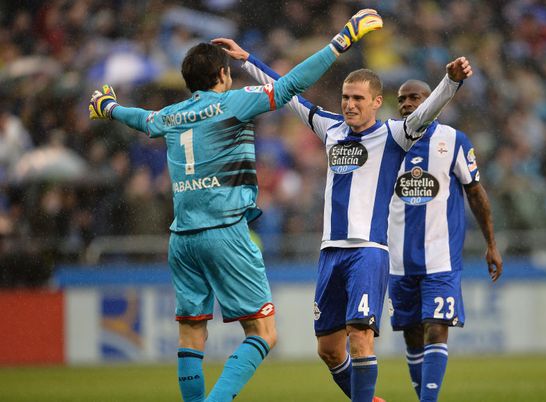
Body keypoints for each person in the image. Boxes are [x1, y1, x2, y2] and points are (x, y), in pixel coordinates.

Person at [88, 9, 383, 402]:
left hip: (182, 238)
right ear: (223, 77)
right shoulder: (235, 103)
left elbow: (139, 118)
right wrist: (340, 40)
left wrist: (108, 107)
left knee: (192, 332)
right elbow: (292, 84)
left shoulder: (171, 115)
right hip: (224, 231)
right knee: (263, 333)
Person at [214, 38, 472, 402]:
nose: (350, 104)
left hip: (367, 252)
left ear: (377, 103)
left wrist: (451, 82)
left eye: (358, 99)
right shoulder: (330, 128)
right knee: (329, 349)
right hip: (330, 252)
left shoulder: (395, 134)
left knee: (360, 335)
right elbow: (288, 93)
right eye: (346, 97)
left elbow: (425, 113)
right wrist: (248, 60)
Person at [386, 79, 503, 401]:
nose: (407, 104)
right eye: (402, 99)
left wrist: (491, 244)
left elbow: (475, 192)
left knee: (436, 327)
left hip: (441, 258)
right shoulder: (388, 140)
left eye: (415, 97)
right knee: (411, 335)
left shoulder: (454, 140)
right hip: (397, 260)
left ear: (433, 100)